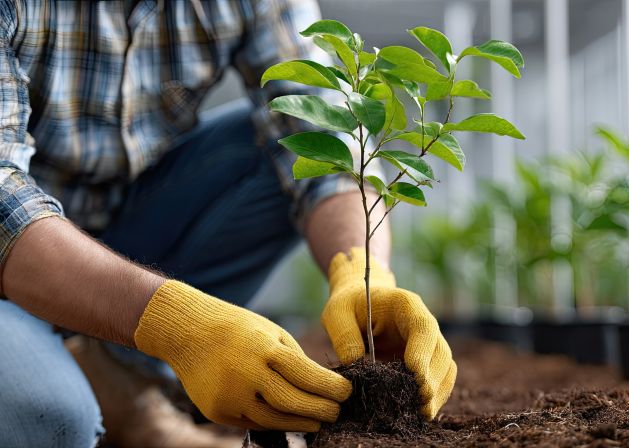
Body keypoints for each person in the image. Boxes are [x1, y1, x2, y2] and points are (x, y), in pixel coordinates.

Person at [0, 0, 458, 447]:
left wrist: (361, 272)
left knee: (290, 148)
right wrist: (178, 326)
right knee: (51, 426)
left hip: (127, 229)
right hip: (11, 273)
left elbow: (322, 128)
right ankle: (87, 373)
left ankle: (121, 381)